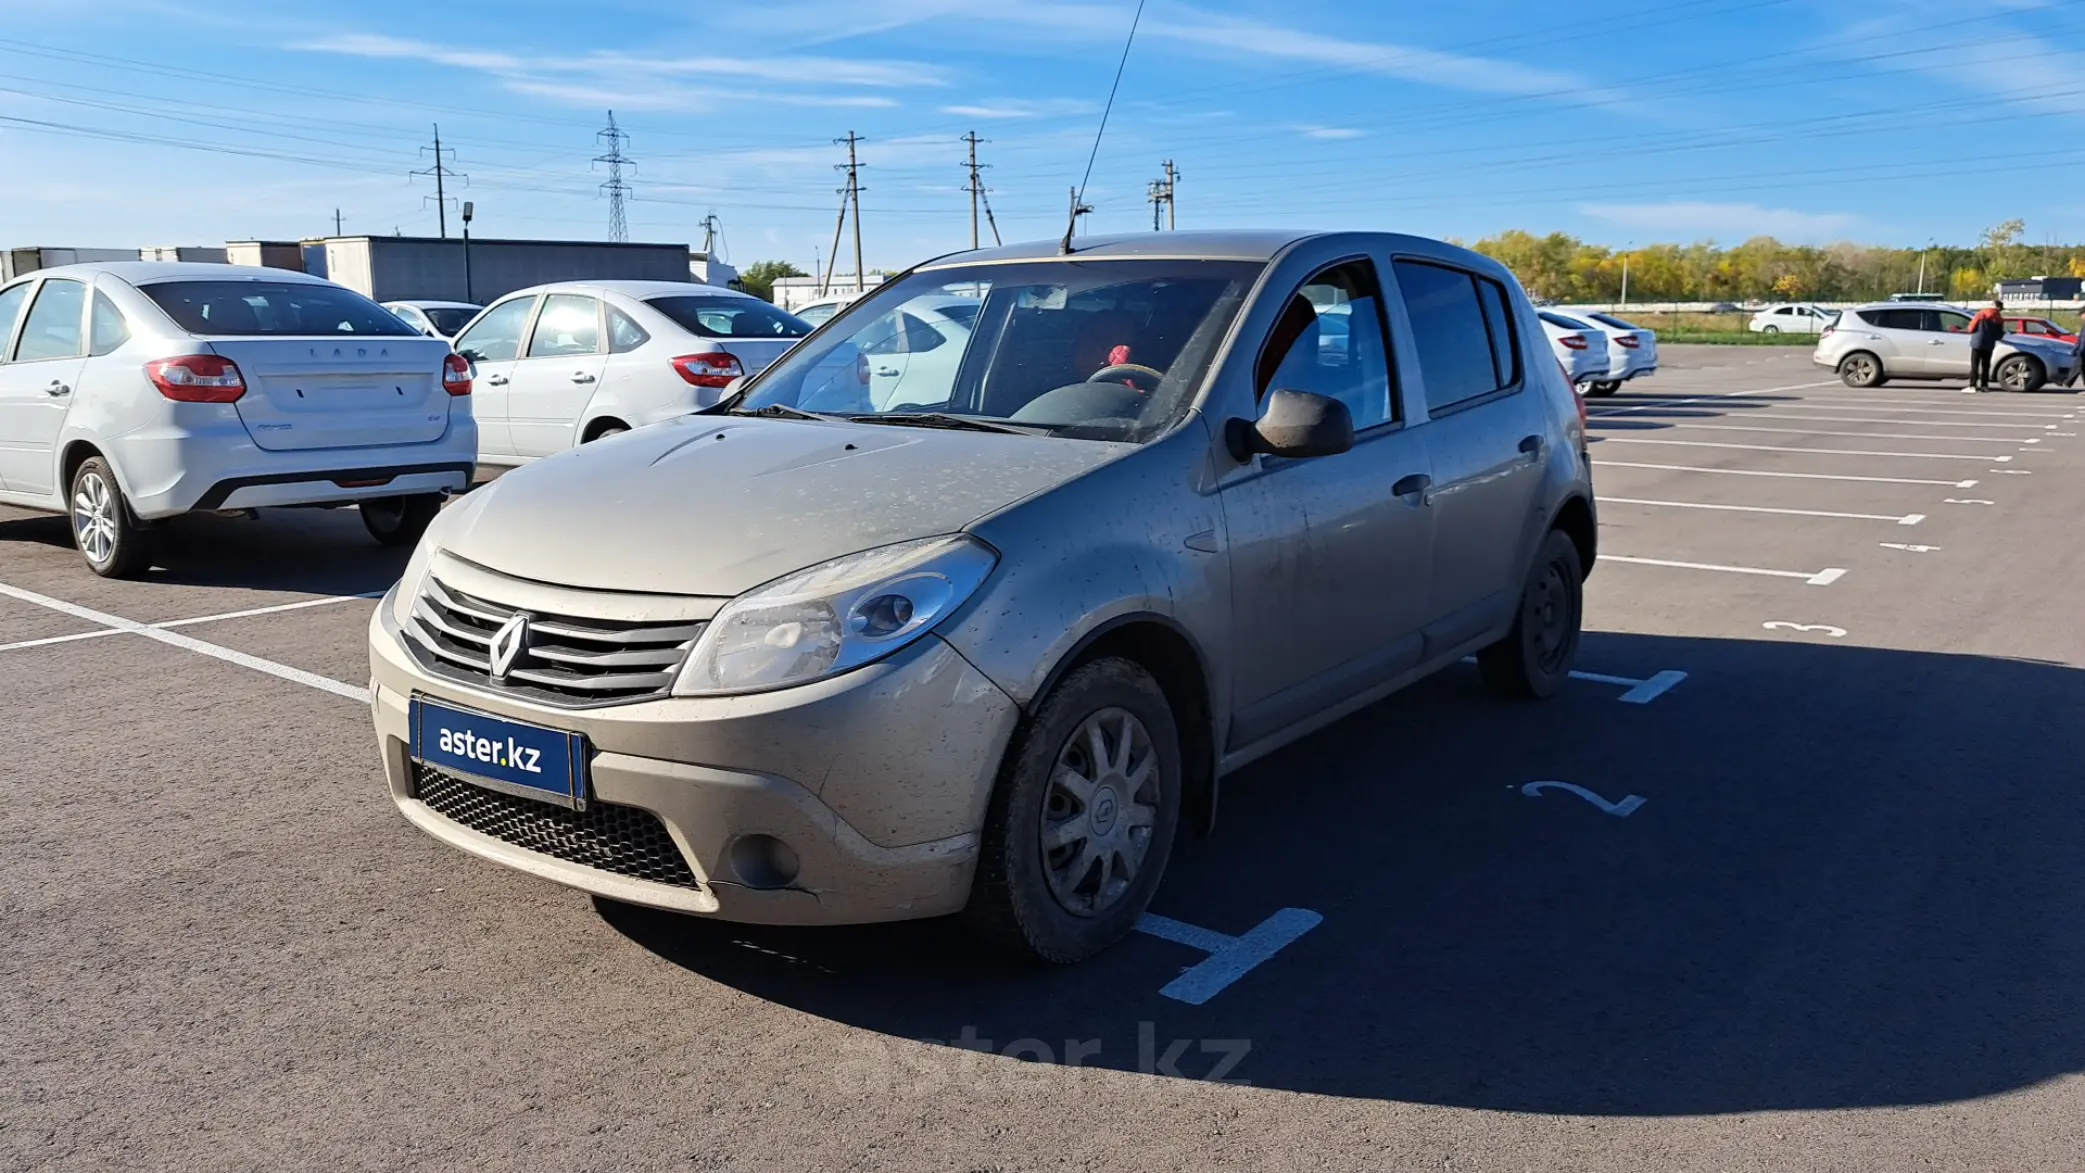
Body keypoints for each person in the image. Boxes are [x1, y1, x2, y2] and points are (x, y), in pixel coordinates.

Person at [1966, 299, 2005, 393]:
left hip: (1977, 343)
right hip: (1989, 344)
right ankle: (1984, 386)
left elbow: (1971, 328)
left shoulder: (1981, 314)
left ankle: (1972, 386)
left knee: (1974, 365)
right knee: (1986, 366)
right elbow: (1999, 335)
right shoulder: (1999, 319)